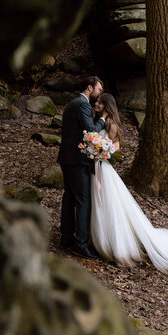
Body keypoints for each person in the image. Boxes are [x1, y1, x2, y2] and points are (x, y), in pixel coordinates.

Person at [90, 93, 168, 273]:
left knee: (108, 204)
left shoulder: (111, 124)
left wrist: (101, 153)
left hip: (103, 168)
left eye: (100, 102)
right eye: (97, 101)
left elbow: (113, 147)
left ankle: (115, 244)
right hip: (96, 167)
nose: (97, 103)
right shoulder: (97, 120)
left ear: (107, 106)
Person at [57, 76, 107, 259]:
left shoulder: (73, 103)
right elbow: (91, 131)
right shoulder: (82, 104)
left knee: (69, 197)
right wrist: (102, 119)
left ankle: (67, 237)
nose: (99, 93)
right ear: (89, 87)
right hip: (77, 160)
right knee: (83, 200)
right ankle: (81, 243)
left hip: (67, 158)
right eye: (99, 90)